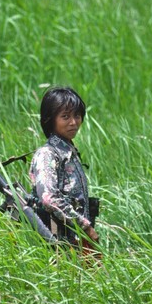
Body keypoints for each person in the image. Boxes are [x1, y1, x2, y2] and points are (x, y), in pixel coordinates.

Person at [29, 86, 99, 245]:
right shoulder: (47, 154)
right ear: (50, 119)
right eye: (65, 116)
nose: (73, 122)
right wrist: (85, 227)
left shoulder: (69, 153)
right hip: (56, 245)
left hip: (75, 242)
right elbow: (49, 199)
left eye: (77, 115)